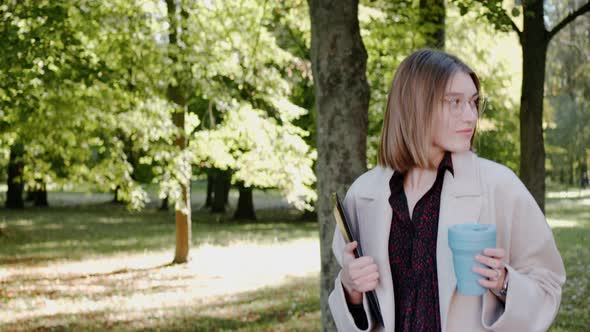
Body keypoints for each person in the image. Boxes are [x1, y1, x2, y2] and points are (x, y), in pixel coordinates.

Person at [328, 49, 566, 332]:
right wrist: (350, 287)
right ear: (414, 106)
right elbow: (353, 307)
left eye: (474, 102)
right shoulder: (363, 195)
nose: (471, 115)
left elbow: (548, 282)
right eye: (454, 102)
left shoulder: (500, 186)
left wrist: (504, 282)